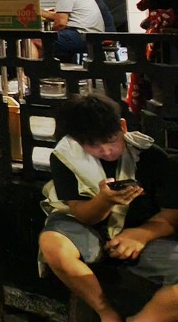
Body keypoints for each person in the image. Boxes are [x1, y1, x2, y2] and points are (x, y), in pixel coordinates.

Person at [38, 94, 178, 322]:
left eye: (111, 140)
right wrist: (106, 201)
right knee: (51, 244)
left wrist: (143, 234)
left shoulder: (150, 157)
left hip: (141, 236)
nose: (106, 151)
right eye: (93, 145)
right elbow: (82, 214)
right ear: (78, 141)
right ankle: (106, 313)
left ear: (122, 127)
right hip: (88, 228)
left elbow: (172, 215)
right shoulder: (67, 158)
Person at [36, 0, 105, 61]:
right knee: (48, 42)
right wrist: (37, 10)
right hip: (90, 36)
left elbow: (61, 23)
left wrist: (50, 35)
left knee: (35, 40)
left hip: (81, 36)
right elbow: (59, 17)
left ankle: (27, 73)